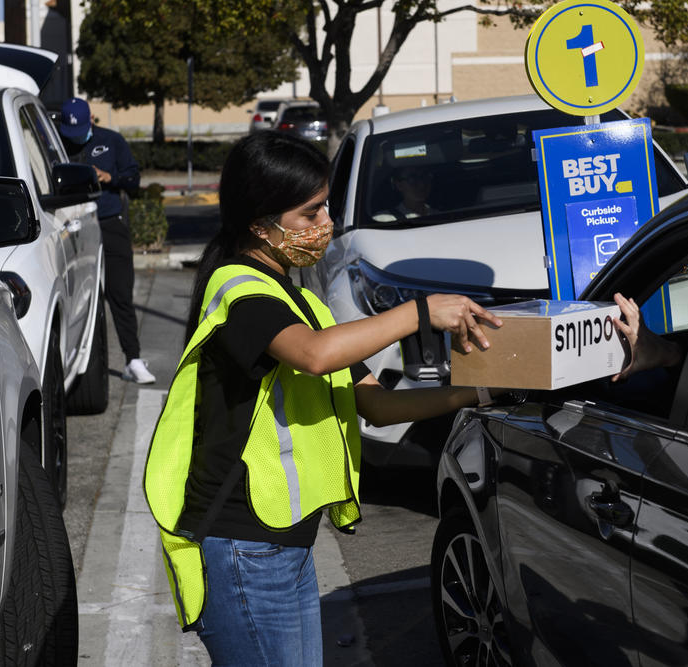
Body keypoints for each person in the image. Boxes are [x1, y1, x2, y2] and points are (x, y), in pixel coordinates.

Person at [142, 130, 503, 665]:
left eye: (327, 208)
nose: (326, 224)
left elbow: (378, 405)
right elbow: (314, 355)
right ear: (259, 224)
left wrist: (476, 392)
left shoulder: (304, 299)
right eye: (309, 214)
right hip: (243, 544)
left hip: (284, 543)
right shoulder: (239, 291)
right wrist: (419, 312)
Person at [58, 97, 155, 383]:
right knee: (75, 296)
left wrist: (109, 177)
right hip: (71, 226)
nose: (74, 138)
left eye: (80, 131)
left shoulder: (110, 140)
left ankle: (133, 360)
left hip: (109, 223)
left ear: (91, 120)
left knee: (120, 293)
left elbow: (133, 179)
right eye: (70, 132)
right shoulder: (55, 143)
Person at [372, 164, 436, 222]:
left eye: (424, 176)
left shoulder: (440, 215)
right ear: (399, 185)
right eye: (412, 179)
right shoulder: (383, 219)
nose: (422, 184)